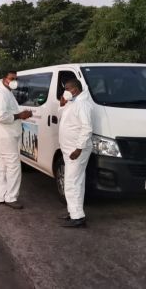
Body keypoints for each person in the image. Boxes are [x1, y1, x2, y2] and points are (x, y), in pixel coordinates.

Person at [0, 71, 32, 209]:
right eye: (11, 79)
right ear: (4, 79)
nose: (14, 81)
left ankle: (0, 195)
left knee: (2, 165)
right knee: (13, 166)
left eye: (15, 79)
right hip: (5, 135)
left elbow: (8, 113)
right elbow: (1, 116)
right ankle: (11, 197)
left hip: (7, 134)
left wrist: (22, 114)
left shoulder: (7, 93)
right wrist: (20, 115)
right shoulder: (1, 94)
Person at [58, 78, 93, 228]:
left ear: (75, 89)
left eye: (67, 88)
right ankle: (74, 212)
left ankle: (78, 217)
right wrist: (62, 104)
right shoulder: (73, 102)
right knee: (75, 181)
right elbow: (65, 117)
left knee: (72, 182)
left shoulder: (82, 104)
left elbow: (87, 128)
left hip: (76, 150)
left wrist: (78, 148)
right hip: (69, 149)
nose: (65, 91)